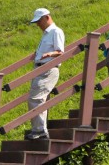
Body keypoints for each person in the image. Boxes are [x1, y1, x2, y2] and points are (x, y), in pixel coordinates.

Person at [26, 8, 64, 140]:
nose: (38, 24)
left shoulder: (56, 31)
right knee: (36, 99)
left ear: (47, 17)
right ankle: (38, 129)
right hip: (40, 69)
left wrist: (49, 54)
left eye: (39, 21)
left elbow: (60, 51)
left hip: (48, 69)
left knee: (36, 99)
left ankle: (40, 130)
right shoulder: (46, 33)